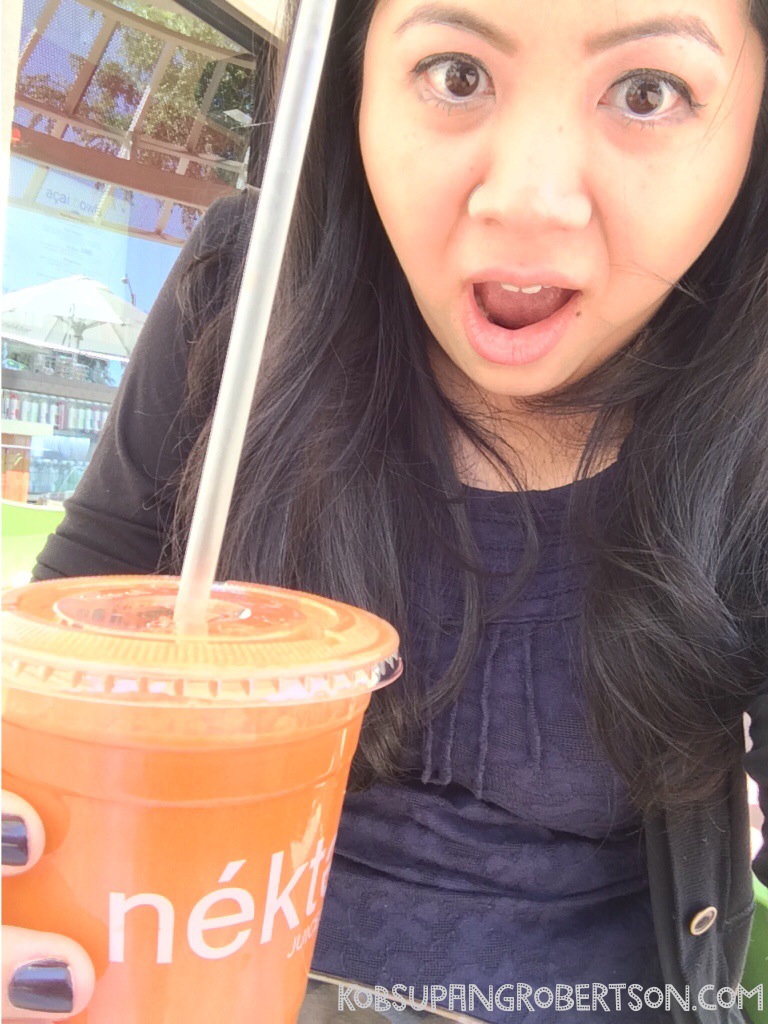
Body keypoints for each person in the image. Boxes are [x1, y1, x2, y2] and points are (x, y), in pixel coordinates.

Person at [2, 0, 767, 1021]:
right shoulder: (244, 293)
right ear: (355, 84)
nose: (528, 201)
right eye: (456, 74)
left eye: (647, 91)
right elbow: (60, 643)